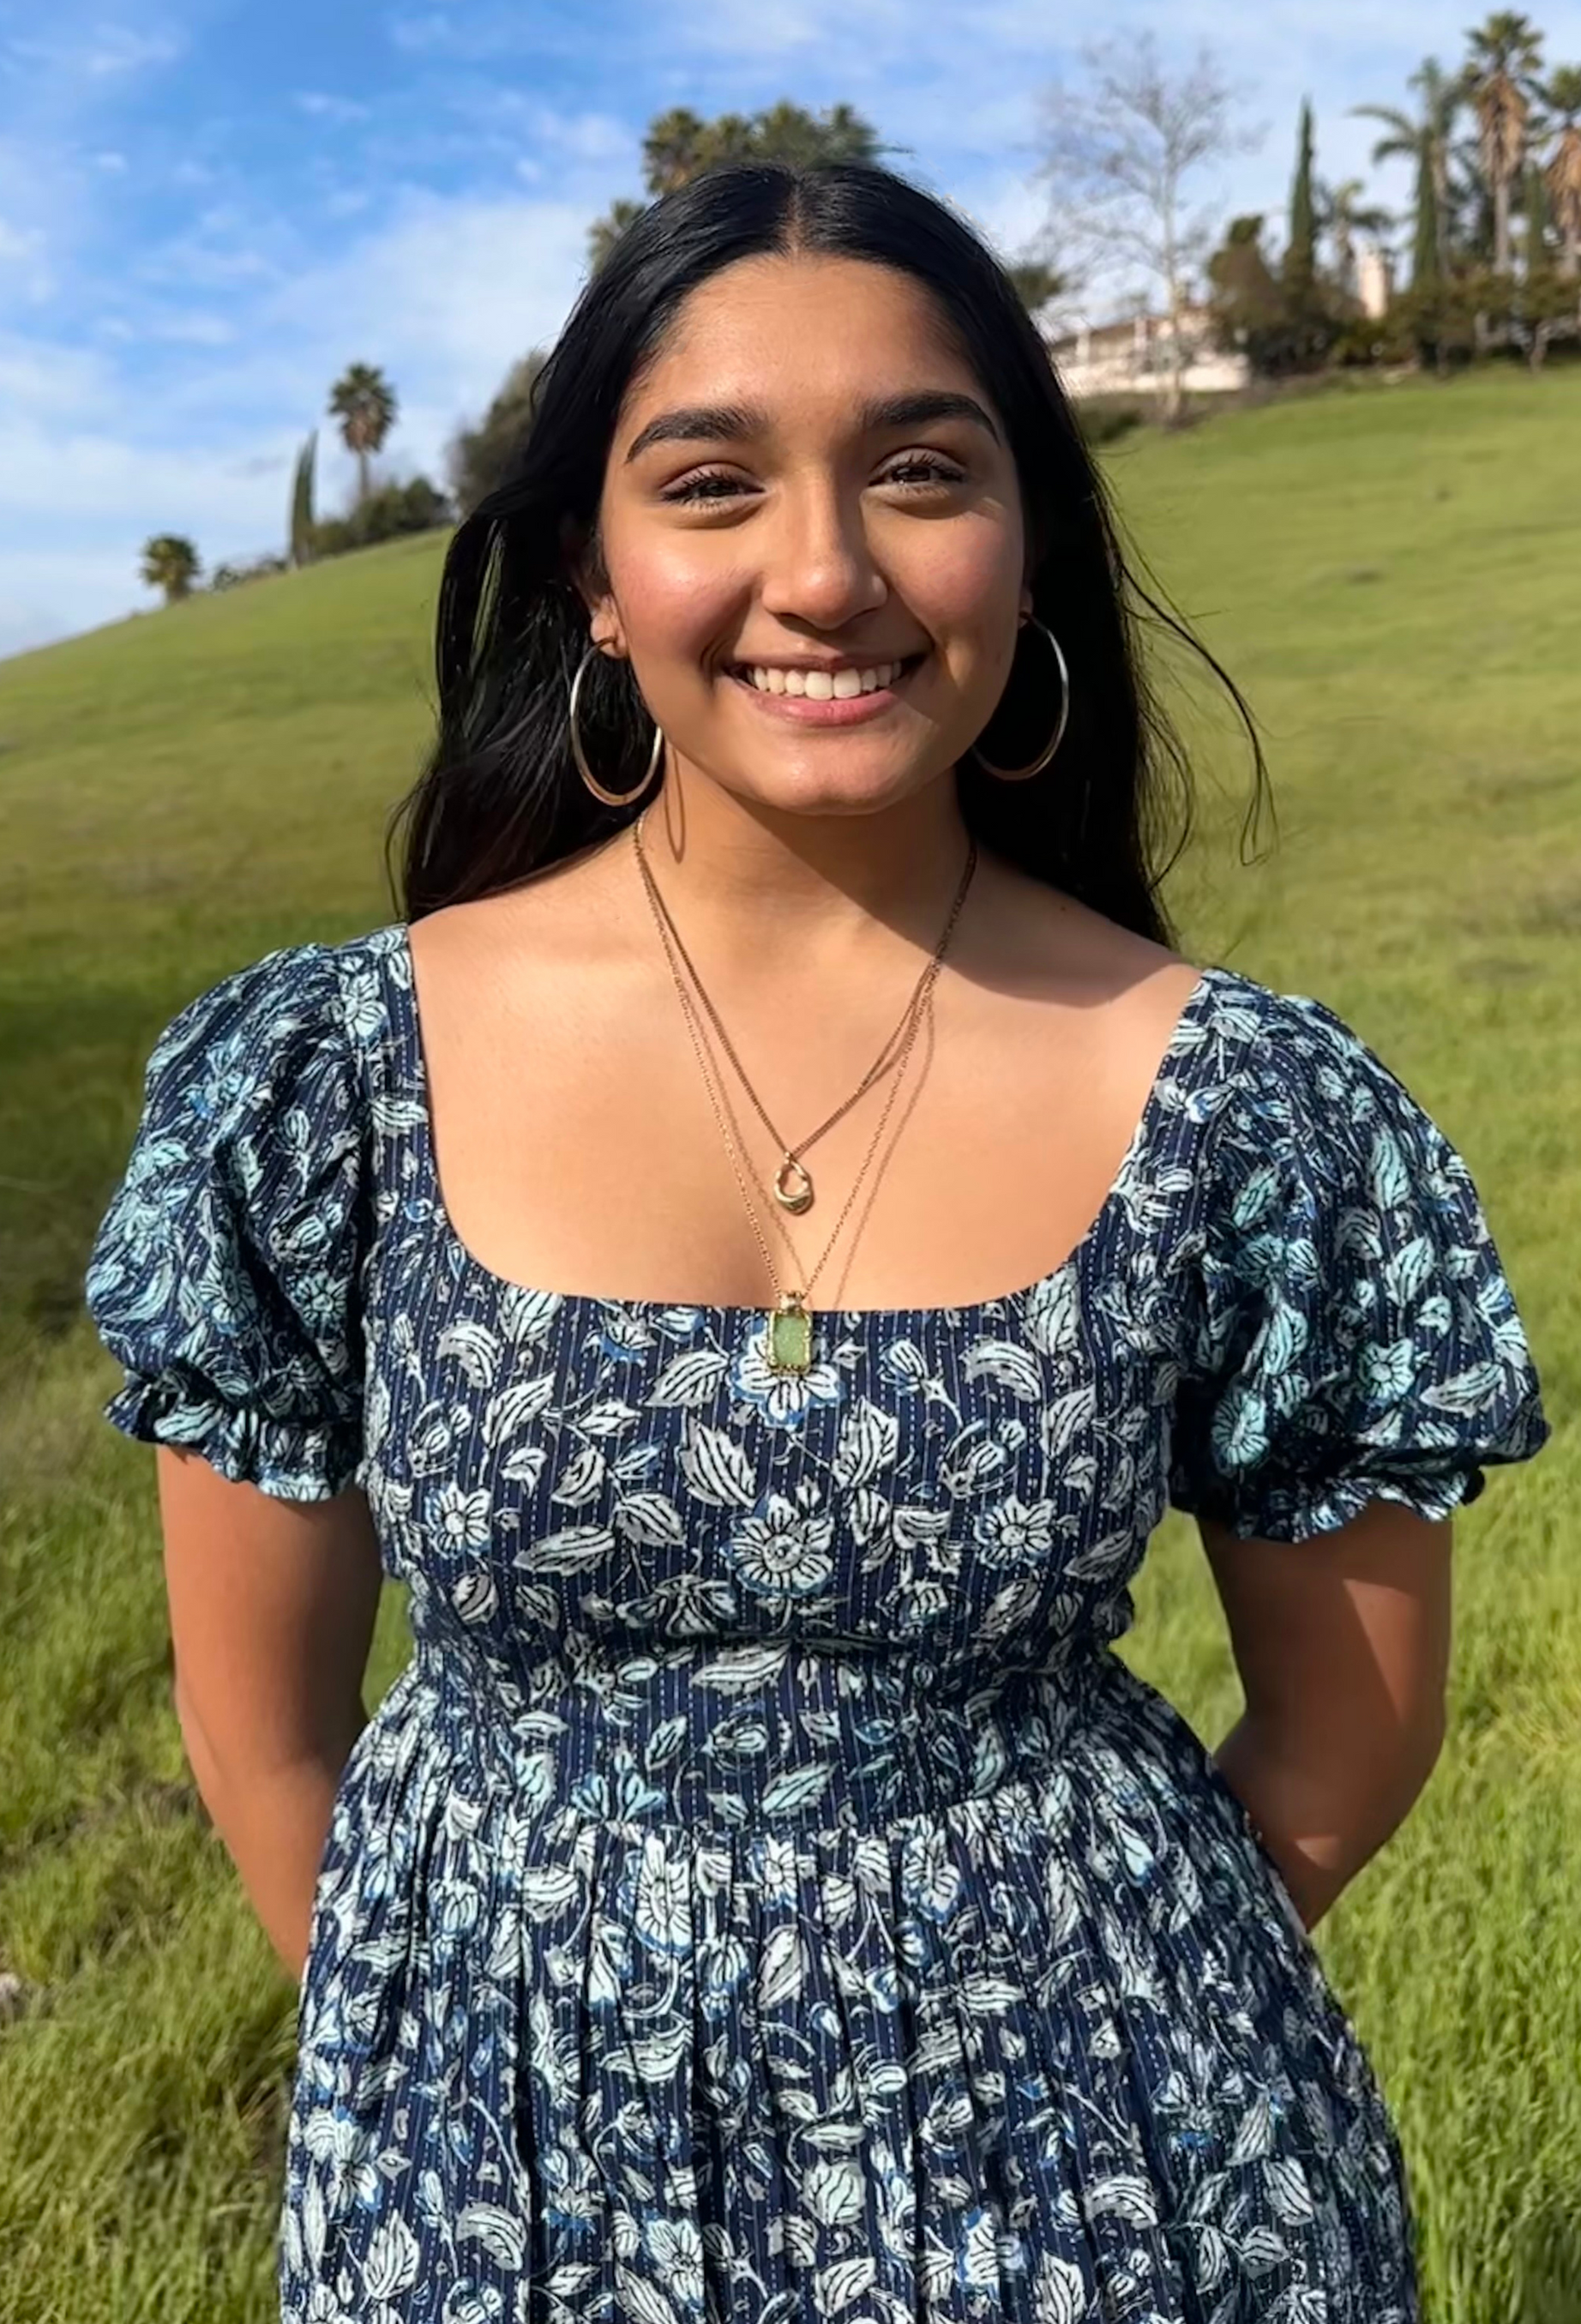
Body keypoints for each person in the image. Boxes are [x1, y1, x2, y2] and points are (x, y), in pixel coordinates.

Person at [84, 160, 1548, 2324]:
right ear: (593, 573)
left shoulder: (1250, 1107)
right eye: (711, 481)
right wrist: (458, 2082)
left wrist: (1084, 2040)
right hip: (498, 2198)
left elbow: (1350, 1726)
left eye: (920, 471)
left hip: (1121, 2187)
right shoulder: (325, 1089)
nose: (827, 571)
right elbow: (261, 1738)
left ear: (1025, 536)